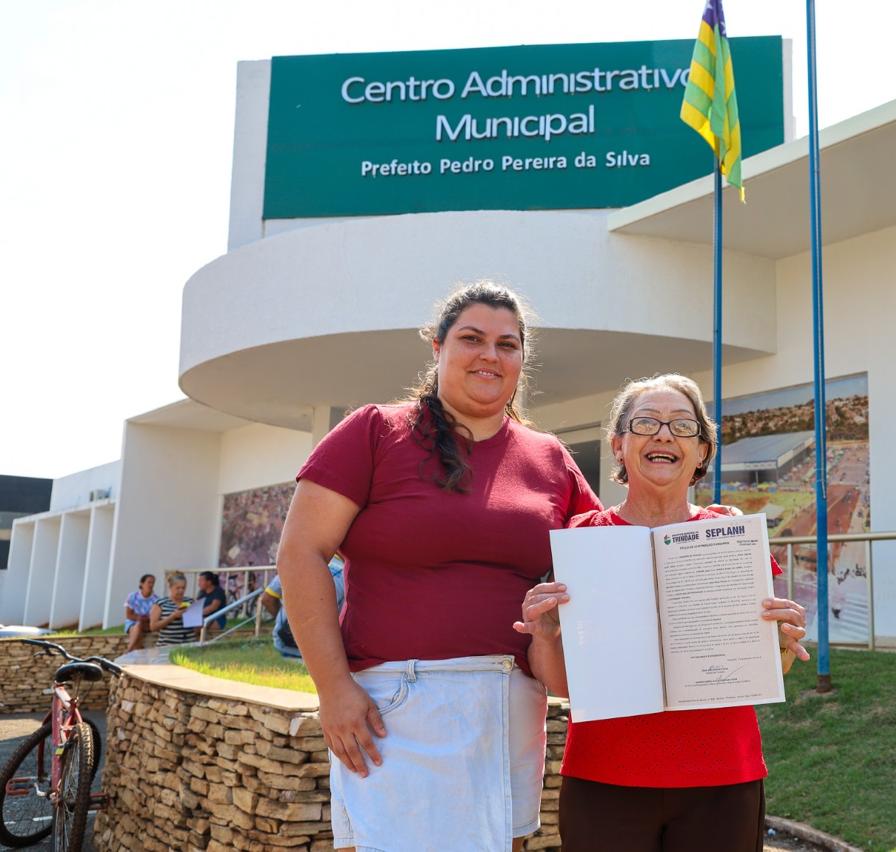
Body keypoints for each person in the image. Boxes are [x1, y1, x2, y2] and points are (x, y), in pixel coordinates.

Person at [276, 282, 603, 852]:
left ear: (521, 359)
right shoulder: (374, 431)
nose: (489, 355)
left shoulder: (549, 456)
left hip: (509, 703)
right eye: (472, 339)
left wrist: (697, 533)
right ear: (438, 347)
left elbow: (607, 556)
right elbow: (300, 552)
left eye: (507, 344)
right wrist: (333, 688)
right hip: (390, 706)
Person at [514, 374, 810, 852]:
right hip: (604, 775)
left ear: (702, 451)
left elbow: (771, 667)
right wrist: (544, 635)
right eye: (646, 422)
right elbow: (565, 686)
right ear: (618, 444)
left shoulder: (732, 537)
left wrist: (783, 642)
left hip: (721, 777)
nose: (664, 435)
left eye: (682, 426)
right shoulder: (582, 539)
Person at [261, 557, 344, 659]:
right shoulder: (347, 576)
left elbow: (267, 599)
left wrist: (284, 619)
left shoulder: (298, 564)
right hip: (320, 650)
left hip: (283, 642)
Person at [150, 574, 198, 646]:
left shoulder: (190, 601)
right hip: (167, 646)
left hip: (188, 645)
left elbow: (197, 626)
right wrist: (172, 616)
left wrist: (190, 617)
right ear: (170, 587)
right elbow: (153, 627)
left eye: (183, 588)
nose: (181, 591)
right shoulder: (161, 603)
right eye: (178, 588)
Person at [123, 573, 159, 651]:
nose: (151, 585)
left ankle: (129, 650)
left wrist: (145, 619)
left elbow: (155, 617)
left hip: (147, 623)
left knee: (138, 627)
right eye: (149, 582)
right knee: (138, 627)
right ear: (141, 584)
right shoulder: (133, 596)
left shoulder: (156, 599)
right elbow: (129, 615)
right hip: (132, 622)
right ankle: (133, 650)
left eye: (153, 582)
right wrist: (139, 618)